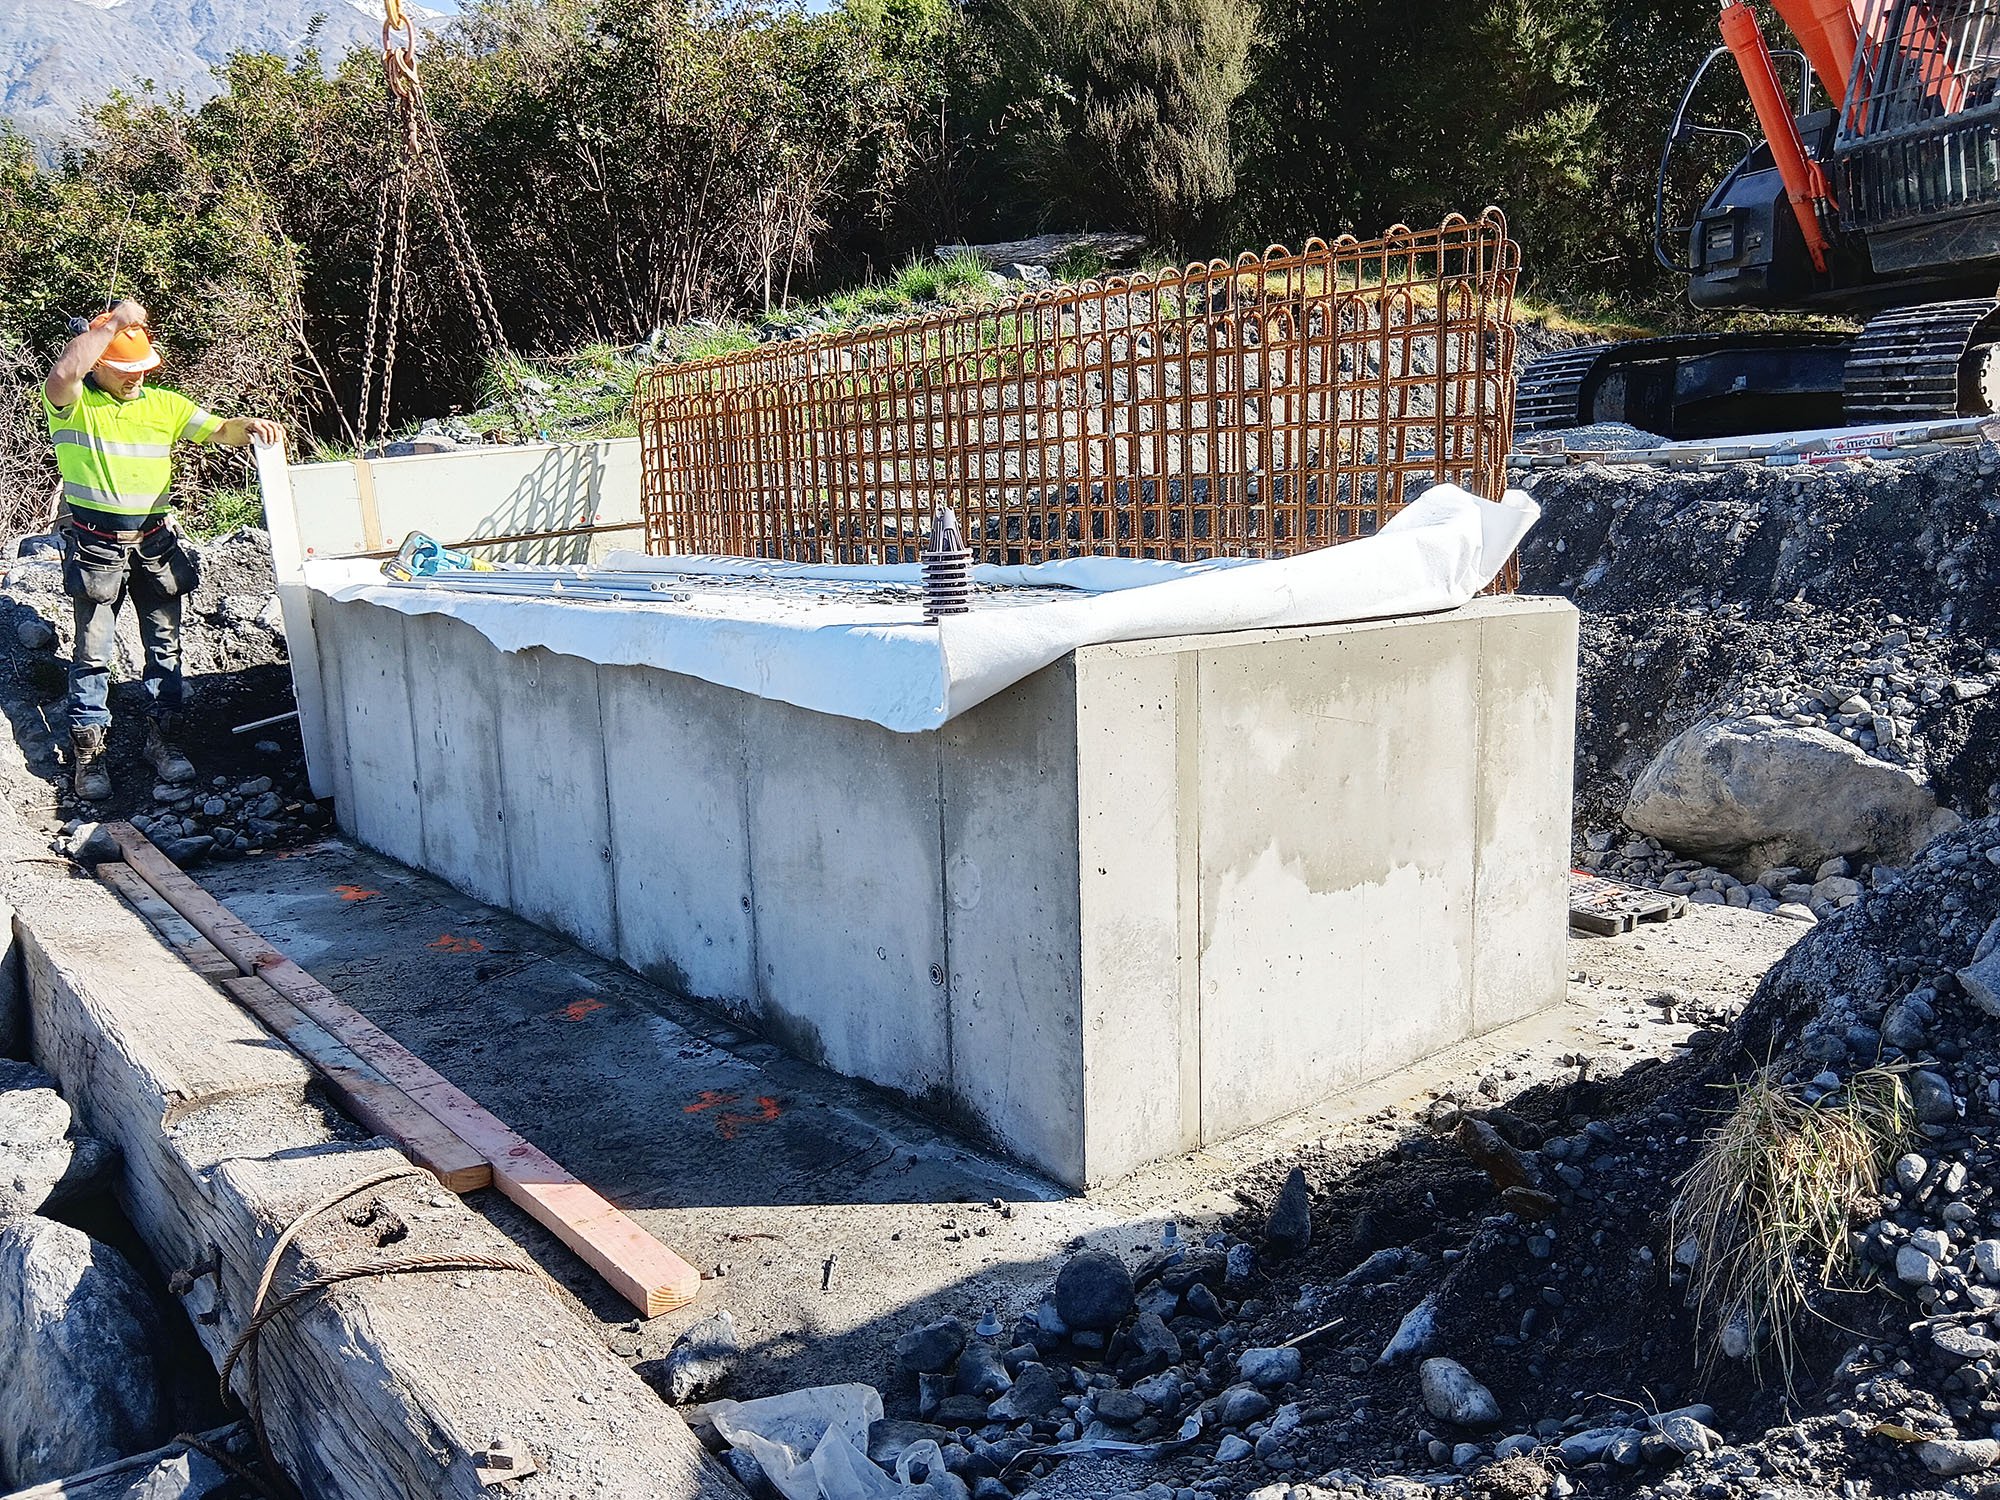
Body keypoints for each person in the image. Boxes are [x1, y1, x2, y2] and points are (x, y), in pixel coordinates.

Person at [42, 298, 282, 801]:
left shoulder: (164, 404)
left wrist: (248, 427)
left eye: (142, 369)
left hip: (154, 545)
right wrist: (112, 325)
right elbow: (64, 371)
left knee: (166, 647)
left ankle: (164, 742)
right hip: (97, 546)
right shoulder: (74, 405)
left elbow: (217, 429)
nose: (136, 378)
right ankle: (90, 757)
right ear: (99, 363)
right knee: (91, 653)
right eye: (125, 370)